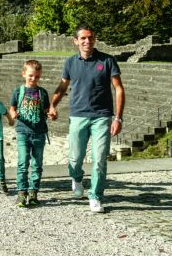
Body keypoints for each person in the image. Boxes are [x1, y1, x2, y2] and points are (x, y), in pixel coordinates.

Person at [48, 25, 125, 214]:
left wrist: (118, 118)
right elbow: (62, 87)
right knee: (75, 159)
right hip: (78, 115)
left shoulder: (107, 61)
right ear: (76, 41)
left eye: (90, 37)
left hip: (102, 116)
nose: (87, 41)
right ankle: (76, 178)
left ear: (95, 39)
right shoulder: (70, 63)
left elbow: (119, 88)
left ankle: (95, 196)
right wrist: (52, 105)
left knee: (99, 159)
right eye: (82, 38)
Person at [10, 60, 50, 208]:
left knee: (37, 165)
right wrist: (13, 113)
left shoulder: (42, 92)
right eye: (31, 76)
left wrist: (52, 113)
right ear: (24, 74)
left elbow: (47, 110)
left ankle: (33, 191)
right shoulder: (18, 91)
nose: (34, 79)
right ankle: (21, 192)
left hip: (39, 133)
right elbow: (12, 108)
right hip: (22, 132)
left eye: (37, 77)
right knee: (22, 163)